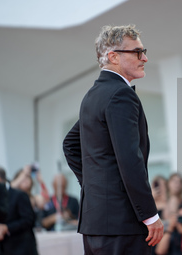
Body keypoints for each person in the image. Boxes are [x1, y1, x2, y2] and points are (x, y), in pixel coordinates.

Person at [63, 24, 163, 255]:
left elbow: (70, 145)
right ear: (113, 57)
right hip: (122, 222)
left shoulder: (92, 95)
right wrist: (150, 215)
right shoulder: (121, 94)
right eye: (138, 52)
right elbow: (130, 159)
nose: (145, 58)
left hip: (95, 220)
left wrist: (96, 186)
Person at [0, 168, 38, 255]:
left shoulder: (19, 195)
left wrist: (7, 228)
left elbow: (29, 220)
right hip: (1, 248)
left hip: (21, 248)